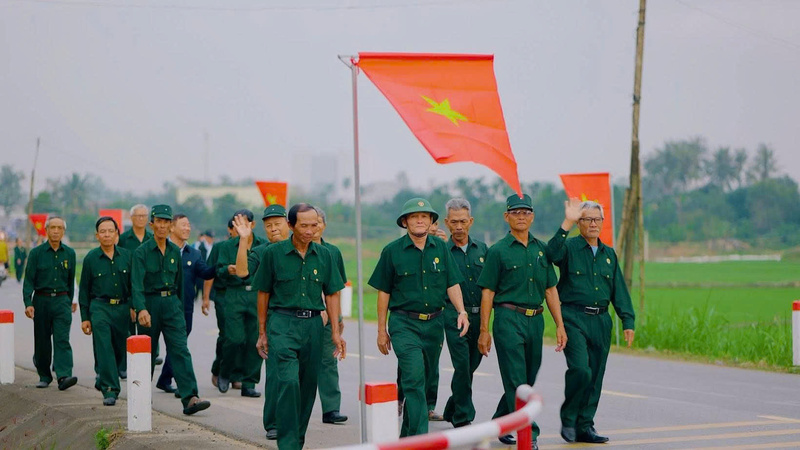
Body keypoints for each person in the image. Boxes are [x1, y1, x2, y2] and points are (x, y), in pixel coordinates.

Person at [368, 198, 469, 437]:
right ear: (405, 222)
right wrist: (382, 330)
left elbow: (451, 282)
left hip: (434, 324)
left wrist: (462, 311)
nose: (420, 220)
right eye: (414, 216)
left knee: (423, 383)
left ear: (432, 221)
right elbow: (383, 293)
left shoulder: (441, 248)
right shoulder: (392, 251)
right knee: (413, 380)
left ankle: (407, 438)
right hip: (404, 323)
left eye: (425, 216)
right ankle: (421, 438)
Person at [477, 194, 567, 449]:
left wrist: (560, 325)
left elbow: (550, 290)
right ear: (507, 217)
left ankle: (502, 420)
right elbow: (488, 293)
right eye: (515, 213)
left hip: (535, 321)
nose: (521, 217)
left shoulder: (541, 250)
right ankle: (530, 434)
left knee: (527, 377)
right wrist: (484, 331)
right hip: (508, 319)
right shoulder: (498, 251)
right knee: (517, 378)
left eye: (526, 212)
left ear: (533, 216)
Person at [252, 203, 346, 450]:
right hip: (282, 323)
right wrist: (262, 332)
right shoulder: (274, 254)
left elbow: (333, 294)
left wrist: (335, 332)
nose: (309, 231)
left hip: (314, 325)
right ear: (291, 226)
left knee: (307, 387)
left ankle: (297, 441)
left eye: (314, 225)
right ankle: (288, 444)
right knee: (288, 382)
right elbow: (262, 292)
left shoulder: (325, 255)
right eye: (303, 225)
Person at [547, 199, 635, 444]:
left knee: (596, 375)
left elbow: (618, 289)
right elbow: (550, 253)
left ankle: (585, 425)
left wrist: (627, 320)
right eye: (587, 219)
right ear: (579, 222)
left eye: (597, 219)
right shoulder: (569, 248)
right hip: (573, 318)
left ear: (603, 223)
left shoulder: (609, 254)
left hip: (601, 320)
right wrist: (566, 223)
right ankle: (569, 418)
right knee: (581, 370)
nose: (593, 224)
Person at [131, 204, 211, 415]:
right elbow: (136, 284)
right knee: (147, 353)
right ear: (152, 224)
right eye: (159, 221)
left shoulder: (175, 251)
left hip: (172, 305)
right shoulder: (142, 252)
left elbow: (180, 285)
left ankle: (190, 397)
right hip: (150, 305)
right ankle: (140, 397)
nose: (163, 226)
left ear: (170, 225)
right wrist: (140, 309)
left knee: (180, 349)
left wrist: (181, 309)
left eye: (167, 222)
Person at [231, 204, 290, 441]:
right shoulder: (263, 251)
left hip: (307, 319)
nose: (273, 229)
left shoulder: (304, 248)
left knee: (302, 376)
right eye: (268, 225)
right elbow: (243, 271)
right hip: (277, 318)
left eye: (277, 224)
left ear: (288, 224)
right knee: (275, 373)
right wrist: (244, 241)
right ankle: (273, 422)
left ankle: (295, 420)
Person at [441, 198, 488, 428]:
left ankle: (452, 406)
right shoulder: (441, 250)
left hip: (480, 316)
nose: (459, 227)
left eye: (463, 221)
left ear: (470, 221)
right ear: (446, 223)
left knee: (470, 366)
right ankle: (463, 417)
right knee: (461, 365)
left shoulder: (483, 250)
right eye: (454, 222)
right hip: (454, 316)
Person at [156, 214, 215, 395]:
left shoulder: (194, 253)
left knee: (179, 345)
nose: (187, 228)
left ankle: (166, 379)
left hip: (185, 306)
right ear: (171, 228)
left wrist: (222, 267)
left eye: (189, 225)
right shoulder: (160, 249)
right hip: (160, 305)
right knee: (153, 347)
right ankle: (143, 386)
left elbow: (205, 272)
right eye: (183, 225)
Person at [78, 217, 132, 405]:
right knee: (104, 347)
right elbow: (84, 290)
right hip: (99, 307)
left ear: (117, 233)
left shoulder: (127, 256)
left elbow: (134, 285)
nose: (107, 235)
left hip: (123, 308)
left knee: (120, 348)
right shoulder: (91, 259)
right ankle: (110, 389)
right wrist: (85, 317)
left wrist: (134, 307)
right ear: (97, 235)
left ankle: (103, 376)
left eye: (111, 231)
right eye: (103, 231)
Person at [22, 216, 78, 390]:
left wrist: (71, 300)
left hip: (62, 300)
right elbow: (29, 280)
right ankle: (44, 375)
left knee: (62, 339)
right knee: (43, 340)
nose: (55, 231)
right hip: (41, 300)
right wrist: (28, 303)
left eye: (59, 228)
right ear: (46, 230)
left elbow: (71, 280)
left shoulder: (70, 253)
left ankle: (63, 375)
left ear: (63, 231)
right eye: (52, 227)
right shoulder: (36, 254)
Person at [215, 210, 266, 398]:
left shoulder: (263, 245)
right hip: (234, 294)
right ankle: (225, 372)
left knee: (255, 340)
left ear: (252, 225)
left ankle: (249, 382)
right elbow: (218, 270)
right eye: (237, 225)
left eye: (244, 224)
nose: (241, 228)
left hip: (255, 293)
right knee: (234, 338)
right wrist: (228, 269)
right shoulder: (227, 246)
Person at [312, 207, 348, 424]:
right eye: (307, 223)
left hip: (328, 318)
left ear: (324, 225)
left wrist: (338, 319)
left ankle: (331, 409)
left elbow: (336, 288)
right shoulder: (290, 250)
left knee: (328, 361)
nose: (312, 228)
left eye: (317, 223)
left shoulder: (332, 252)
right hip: (300, 316)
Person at [118, 204, 158, 365]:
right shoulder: (123, 239)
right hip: (128, 287)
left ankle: (150, 357)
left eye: (144, 216)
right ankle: (124, 363)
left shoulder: (152, 238)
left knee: (149, 327)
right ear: (131, 218)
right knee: (127, 328)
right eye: (138, 216)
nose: (141, 219)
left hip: (148, 289)